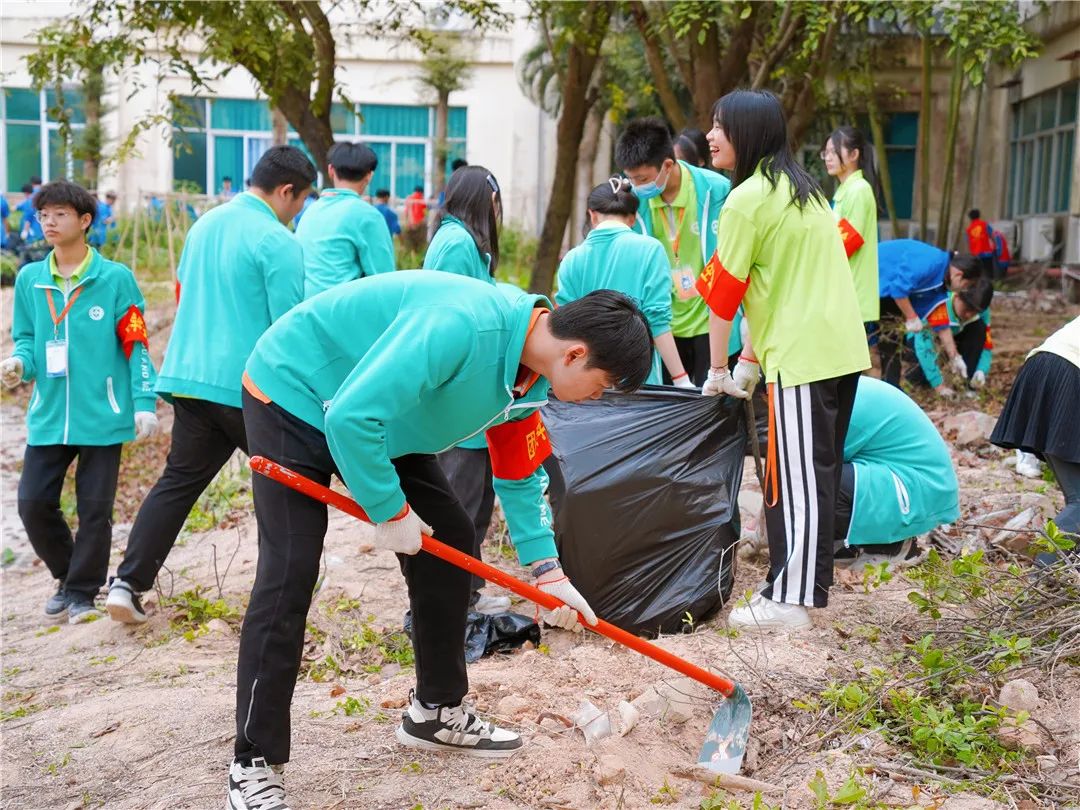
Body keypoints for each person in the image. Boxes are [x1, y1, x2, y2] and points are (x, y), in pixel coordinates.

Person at [225, 277, 653, 807]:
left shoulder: (530, 377)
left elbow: (518, 473)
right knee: (289, 569)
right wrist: (391, 510)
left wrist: (549, 573)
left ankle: (435, 710)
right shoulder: (462, 326)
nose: (599, 397)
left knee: (451, 538)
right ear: (576, 353)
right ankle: (255, 760)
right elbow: (351, 415)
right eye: (604, 384)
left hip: (382, 417)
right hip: (298, 392)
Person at [105, 146, 315, 624]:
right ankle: (280, 598)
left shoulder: (204, 226)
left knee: (177, 483)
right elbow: (288, 330)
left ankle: (128, 583)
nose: (298, 212)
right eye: (300, 201)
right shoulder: (277, 241)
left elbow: (186, 292)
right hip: (247, 389)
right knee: (285, 490)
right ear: (286, 191)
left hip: (188, 378)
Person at [696, 89, 870, 631]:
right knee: (811, 476)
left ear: (747, 134)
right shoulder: (806, 191)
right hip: (837, 351)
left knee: (791, 480)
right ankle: (797, 590)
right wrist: (750, 357)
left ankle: (790, 601)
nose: (710, 135)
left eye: (721, 125)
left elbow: (724, 296)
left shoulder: (746, 199)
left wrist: (719, 371)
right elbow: (775, 285)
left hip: (802, 356)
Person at [1, 181, 158, 623]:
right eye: (43, 214)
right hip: (49, 414)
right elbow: (28, 340)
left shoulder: (114, 279)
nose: (48, 222)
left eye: (60, 214)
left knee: (94, 510)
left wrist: (143, 400)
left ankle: (82, 594)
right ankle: (70, 576)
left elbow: (136, 343)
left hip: (102, 414)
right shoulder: (31, 279)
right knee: (32, 502)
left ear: (85, 221)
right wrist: (18, 363)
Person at [423, 166, 517, 612]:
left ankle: (467, 592)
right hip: (457, 398)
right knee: (458, 501)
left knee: (476, 501)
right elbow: (442, 314)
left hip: (476, 399)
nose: (498, 212)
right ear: (485, 199)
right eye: (496, 202)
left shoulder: (470, 247)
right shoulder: (456, 243)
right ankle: (445, 597)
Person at [615, 117, 737, 386]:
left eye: (643, 178)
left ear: (667, 166)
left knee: (716, 414)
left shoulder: (716, 191)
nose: (635, 185)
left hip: (711, 319)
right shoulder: (634, 204)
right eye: (630, 178)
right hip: (664, 326)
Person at [556, 177, 695, 387]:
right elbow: (657, 321)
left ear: (592, 215)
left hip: (587, 384)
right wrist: (681, 380)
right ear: (632, 218)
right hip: (640, 382)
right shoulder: (651, 250)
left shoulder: (572, 259)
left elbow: (565, 328)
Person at [833, 377, 958, 570]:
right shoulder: (842, 389)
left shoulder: (846, 406)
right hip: (910, 484)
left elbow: (815, 465)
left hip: (918, 490)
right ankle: (854, 542)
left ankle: (891, 546)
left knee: (821, 481)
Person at [991, 316, 1080, 566]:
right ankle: (1040, 575)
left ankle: (1062, 565)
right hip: (1068, 373)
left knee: (1077, 497)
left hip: (1044, 366)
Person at [877, 240, 979, 396]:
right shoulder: (931, 261)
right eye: (967, 285)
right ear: (959, 275)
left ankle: (891, 390)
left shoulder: (940, 282)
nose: (964, 290)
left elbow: (940, 322)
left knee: (892, 341)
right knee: (878, 338)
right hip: (872, 280)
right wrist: (912, 317)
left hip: (886, 294)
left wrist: (954, 356)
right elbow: (898, 289)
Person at [295, 142, 395, 299]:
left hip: (304, 310)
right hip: (342, 313)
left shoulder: (310, 211)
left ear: (330, 170)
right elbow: (384, 281)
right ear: (369, 175)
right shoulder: (367, 216)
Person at [822, 126, 881, 331]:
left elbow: (846, 243)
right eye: (826, 152)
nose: (828, 158)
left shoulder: (858, 190)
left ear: (854, 154)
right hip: (843, 295)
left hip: (852, 296)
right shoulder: (845, 191)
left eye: (833, 151)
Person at [966, 209, 994, 277]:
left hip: (975, 255)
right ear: (979, 215)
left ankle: (979, 286)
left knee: (978, 273)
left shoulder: (968, 229)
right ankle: (990, 285)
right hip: (986, 253)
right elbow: (992, 235)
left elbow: (969, 242)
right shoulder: (984, 224)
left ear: (970, 218)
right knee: (989, 272)